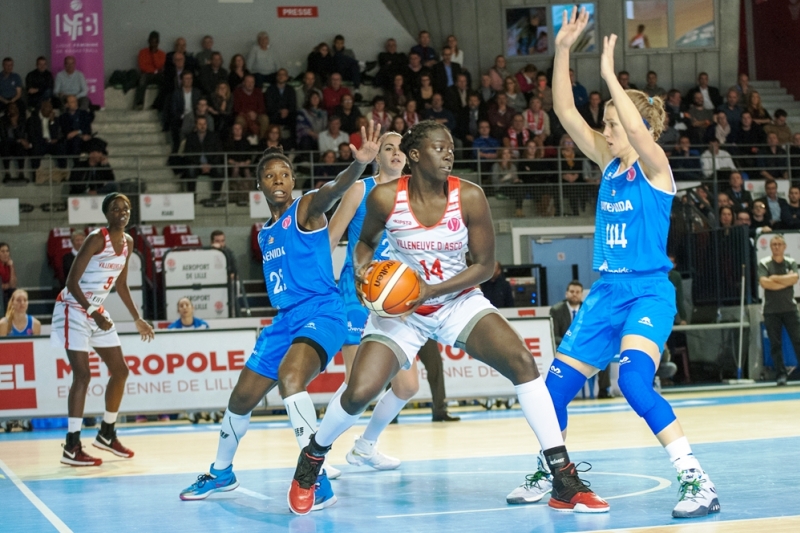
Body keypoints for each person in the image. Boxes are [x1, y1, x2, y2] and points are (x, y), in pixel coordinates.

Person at [287, 120, 607, 515]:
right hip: (402, 311)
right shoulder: (386, 197)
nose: (449, 153)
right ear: (416, 155)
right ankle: (311, 460)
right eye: (439, 147)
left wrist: (432, 291)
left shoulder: (469, 196)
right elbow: (365, 243)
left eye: (451, 147)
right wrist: (362, 271)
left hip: (456, 301)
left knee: (523, 363)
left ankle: (563, 478)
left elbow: (486, 266)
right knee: (359, 391)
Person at [549, 8, 718, 518]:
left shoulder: (655, 168)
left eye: (614, 123)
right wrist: (562, 51)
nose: (607, 129)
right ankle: (556, 476)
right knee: (551, 390)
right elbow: (565, 113)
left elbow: (641, 135)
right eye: (607, 124)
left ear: (639, 127)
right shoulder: (609, 164)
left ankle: (696, 479)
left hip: (647, 291)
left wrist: (608, 77)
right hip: (606, 293)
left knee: (632, 382)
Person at [178, 122, 381, 504]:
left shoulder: (305, 208)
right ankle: (222, 473)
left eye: (285, 174)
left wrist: (358, 167)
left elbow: (334, 190)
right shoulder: (264, 233)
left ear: (292, 181)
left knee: (291, 377)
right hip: (286, 320)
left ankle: (313, 477)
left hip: (322, 312)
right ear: (260, 184)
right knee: (240, 399)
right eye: (270, 175)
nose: (279, 179)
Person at [326, 132, 424, 470]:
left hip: (394, 301)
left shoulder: (416, 195)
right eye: (388, 149)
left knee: (408, 385)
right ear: (378, 157)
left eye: (400, 149)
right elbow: (331, 236)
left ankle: (365, 447)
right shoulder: (360, 190)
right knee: (358, 386)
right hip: (356, 294)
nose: (396, 154)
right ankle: (315, 455)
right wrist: (317, 285)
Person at [50, 193, 155, 466]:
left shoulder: (128, 243)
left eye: (126, 208)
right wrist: (93, 312)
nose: (122, 212)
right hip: (73, 307)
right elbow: (71, 282)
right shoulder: (97, 238)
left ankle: (107, 433)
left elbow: (120, 285)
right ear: (107, 214)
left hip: (96, 310)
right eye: (115, 208)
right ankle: (71, 446)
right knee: (82, 375)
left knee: (120, 371)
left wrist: (137, 318)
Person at [759, 235, 800, 386]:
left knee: (798, 340)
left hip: (790, 309)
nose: (776, 246)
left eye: (779, 244)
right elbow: (764, 283)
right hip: (771, 311)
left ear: (784, 247)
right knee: (775, 345)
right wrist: (784, 280)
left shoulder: (791, 262)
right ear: (770, 247)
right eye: (773, 244)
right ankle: (781, 374)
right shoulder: (764, 263)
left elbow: (794, 279)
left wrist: (774, 278)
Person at [184, 116, 224, 203]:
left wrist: (210, 164)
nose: (202, 126)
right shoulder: (191, 137)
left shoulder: (214, 136)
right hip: (197, 164)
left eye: (204, 124)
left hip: (211, 164)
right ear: (196, 125)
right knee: (190, 170)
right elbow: (188, 154)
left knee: (220, 170)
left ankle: (216, 196)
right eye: (200, 124)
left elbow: (218, 153)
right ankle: (192, 197)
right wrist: (200, 164)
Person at [225, 123, 255, 207]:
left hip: (244, 165)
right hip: (233, 165)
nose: (237, 131)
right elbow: (228, 158)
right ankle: (234, 188)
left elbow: (249, 157)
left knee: (247, 171)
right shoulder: (228, 142)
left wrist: (245, 163)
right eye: (235, 129)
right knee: (236, 169)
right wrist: (236, 163)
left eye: (239, 129)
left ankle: (249, 193)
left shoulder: (246, 142)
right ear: (232, 131)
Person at [135, 31, 166, 110]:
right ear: (149, 42)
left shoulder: (162, 54)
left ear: (158, 43)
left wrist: (154, 54)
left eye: (155, 42)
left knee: (165, 81)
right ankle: (139, 103)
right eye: (152, 42)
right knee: (142, 79)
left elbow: (160, 66)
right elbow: (142, 66)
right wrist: (155, 71)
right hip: (147, 75)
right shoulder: (142, 52)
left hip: (158, 75)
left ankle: (158, 104)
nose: (153, 44)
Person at [233, 75, 269, 141]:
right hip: (243, 115)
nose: (250, 84)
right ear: (243, 83)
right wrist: (248, 113)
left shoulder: (258, 92)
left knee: (264, 118)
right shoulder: (237, 92)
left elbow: (262, 107)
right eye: (248, 82)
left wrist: (256, 113)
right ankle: (242, 141)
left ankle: (261, 141)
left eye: (252, 82)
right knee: (239, 120)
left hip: (257, 115)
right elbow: (236, 108)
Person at [0, 103, 30, 182]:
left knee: (20, 147)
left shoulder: (22, 120)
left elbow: (21, 134)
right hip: (7, 143)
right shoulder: (2, 120)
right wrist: (19, 140)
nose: (13, 109)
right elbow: (3, 136)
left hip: (17, 144)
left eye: (14, 108)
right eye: (11, 108)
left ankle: (21, 173)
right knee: (4, 146)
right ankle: (7, 173)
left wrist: (15, 126)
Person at [492, 146, 525, 217]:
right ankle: (519, 210)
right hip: (501, 187)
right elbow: (495, 181)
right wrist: (505, 178)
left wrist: (516, 180)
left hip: (512, 186)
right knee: (520, 190)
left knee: (520, 186)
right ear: (501, 155)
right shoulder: (496, 166)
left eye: (508, 153)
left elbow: (515, 179)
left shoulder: (513, 166)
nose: (507, 155)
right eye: (504, 153)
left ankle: (518, 210)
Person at [0, 242, 19, 308]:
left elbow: (13, 285)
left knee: (16, 294)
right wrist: (6, 286)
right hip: (1, 293)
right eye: (2, 251)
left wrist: (11, 266)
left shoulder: (9, 264)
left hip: (7, 291)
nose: (5, 254)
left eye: (7, 251)